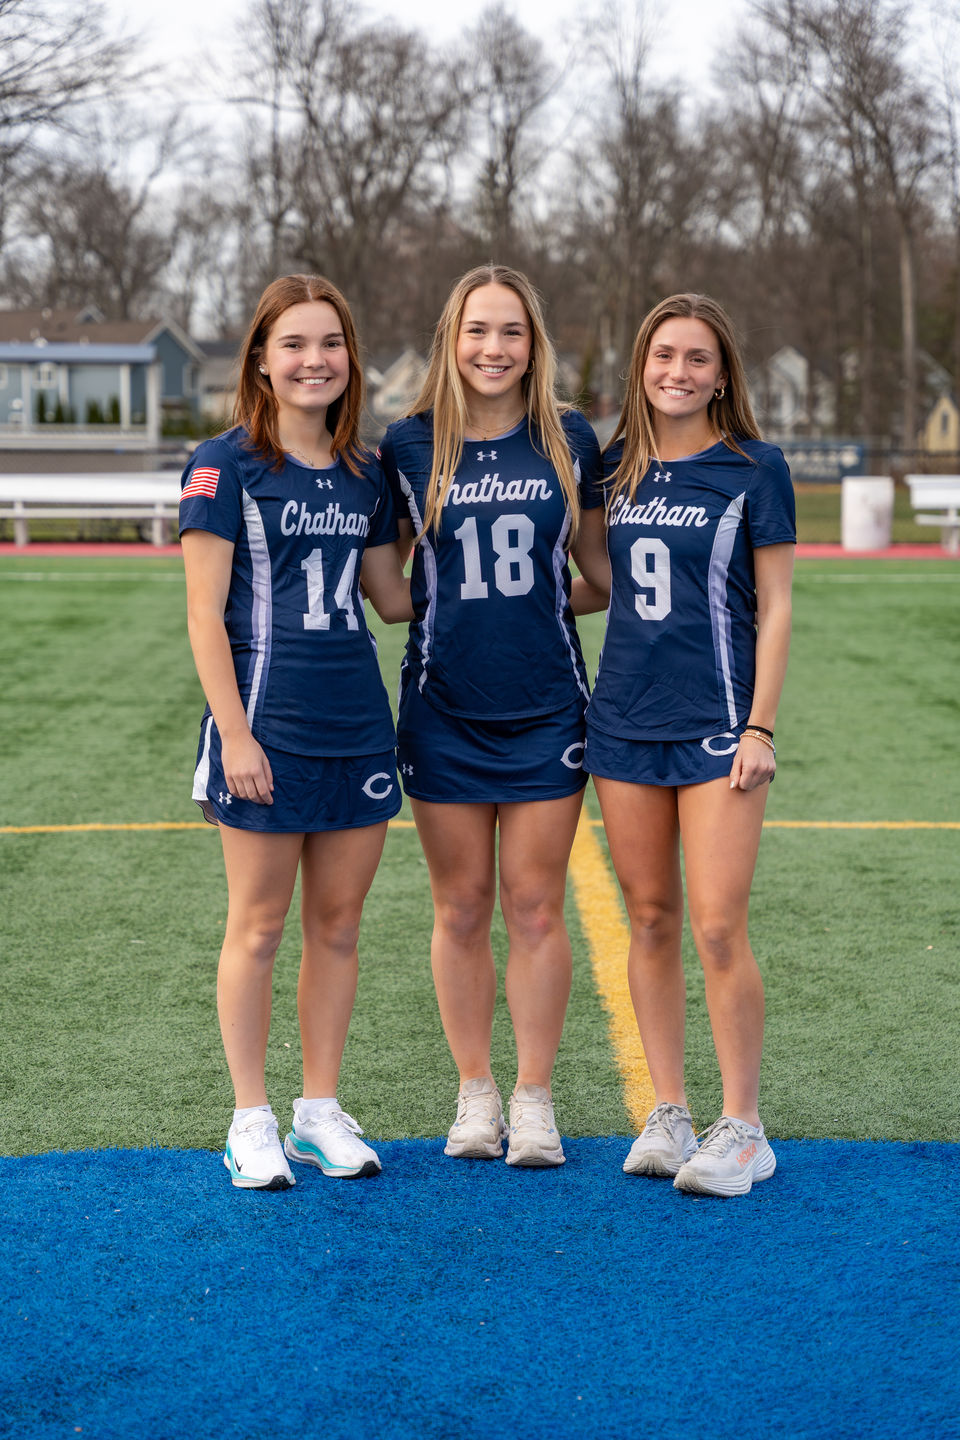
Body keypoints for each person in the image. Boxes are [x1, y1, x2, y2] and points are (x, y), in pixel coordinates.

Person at [180, 274, 411, 1190]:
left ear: (350, 357)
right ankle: (250, 1118)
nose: (315, 360)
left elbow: (391, 598)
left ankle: (318, 1111)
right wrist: (236, 736)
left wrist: (496, 555)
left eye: (331, 343)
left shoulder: (366, 472)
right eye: (295, 345)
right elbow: (203, 616)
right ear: (261, 362)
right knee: (258, 927)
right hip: (266, 727)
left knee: (339, 926)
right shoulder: (224, 463)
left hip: (356, 724)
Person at [377, 264, 608, 1167]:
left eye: (511, 331)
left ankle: (534, 1097)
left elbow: (598, 575)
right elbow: (389, 591)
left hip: (548, 705)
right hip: (444, 708)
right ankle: (475, 1091)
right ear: (451, 338)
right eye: (478, 330)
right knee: (463, 906)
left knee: (537, 908)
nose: (494, 348)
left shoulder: (569, 437)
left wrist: (538, 602)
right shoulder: (410, 443)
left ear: (533, 344)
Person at [582, 292, 795, 1197]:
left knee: (715, 925)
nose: (677, 371)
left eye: (696, 358)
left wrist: (761, 725)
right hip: (624, 722)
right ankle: (668, 1110)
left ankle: (744, 1127)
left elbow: (777, 606)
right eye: (663, 355)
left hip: (720, 726)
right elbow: (598, 573)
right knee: (651, 918)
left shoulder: (756, 468)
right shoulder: (614, 465)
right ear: (641, 366)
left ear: (721, 375)